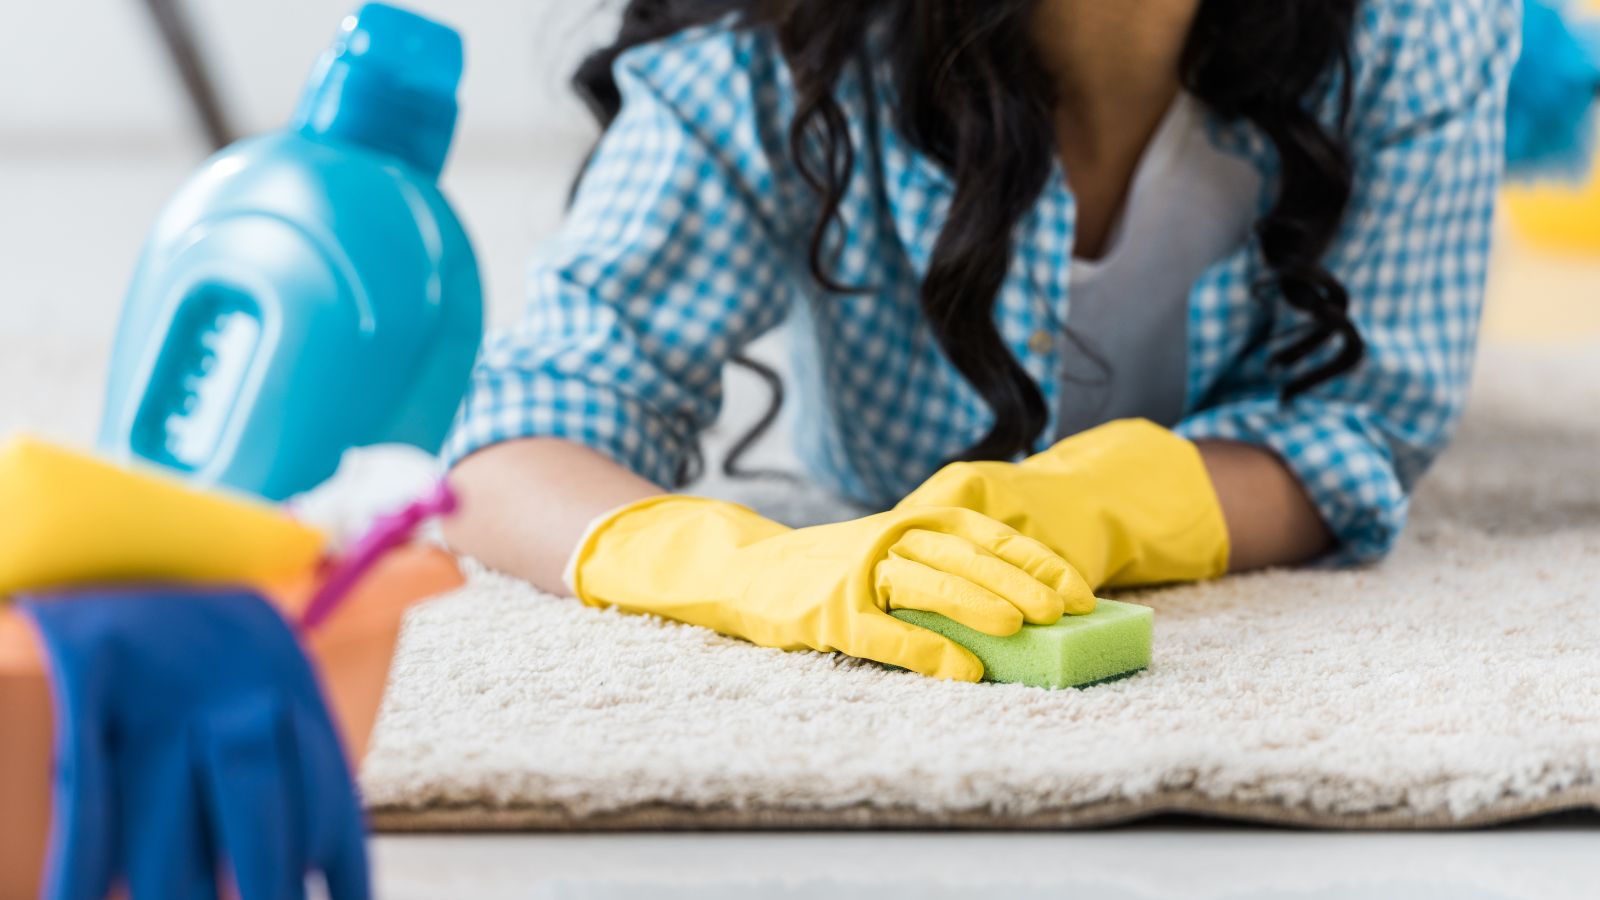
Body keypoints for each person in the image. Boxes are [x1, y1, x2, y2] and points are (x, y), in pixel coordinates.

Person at [442, 0, 1517, 681]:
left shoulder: (1421, 27)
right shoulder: (763, 49)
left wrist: (1102, 504)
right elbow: (518, 437)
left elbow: (1364, 425)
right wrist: (751, 571)